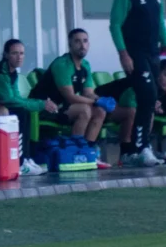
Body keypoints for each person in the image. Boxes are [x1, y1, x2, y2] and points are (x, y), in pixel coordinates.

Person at [29, 29, 136, 168]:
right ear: (70, 44)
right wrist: (96, 101)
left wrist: (102, 100)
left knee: (100, 111)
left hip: (64, 107)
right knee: (85, 110)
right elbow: (71, 97)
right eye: (77, 41)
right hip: (45, 107)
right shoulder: (62, 64)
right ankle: (75, 153)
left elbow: (88, 93)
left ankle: (88, 153)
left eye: (85, 41)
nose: (82, 45)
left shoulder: (85, 65)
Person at [109, 0, 166, 167]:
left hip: (153, 54)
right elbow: (115, 25)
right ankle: (141, 148)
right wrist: (123, 53)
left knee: (151, 99)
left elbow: (160, 21)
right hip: (135, 54)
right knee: (148, 97)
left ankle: (135, 150)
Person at [0, 38, 58, 176]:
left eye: (22, 53)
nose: (19, 57)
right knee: (20, 113)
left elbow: (16, 97)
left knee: (25, 112)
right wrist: (41, 104)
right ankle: (20, 163)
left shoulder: (12, 72)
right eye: (14, 53)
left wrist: (39, 104)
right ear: (6, 55)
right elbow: (10, 100)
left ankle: (27, 159)